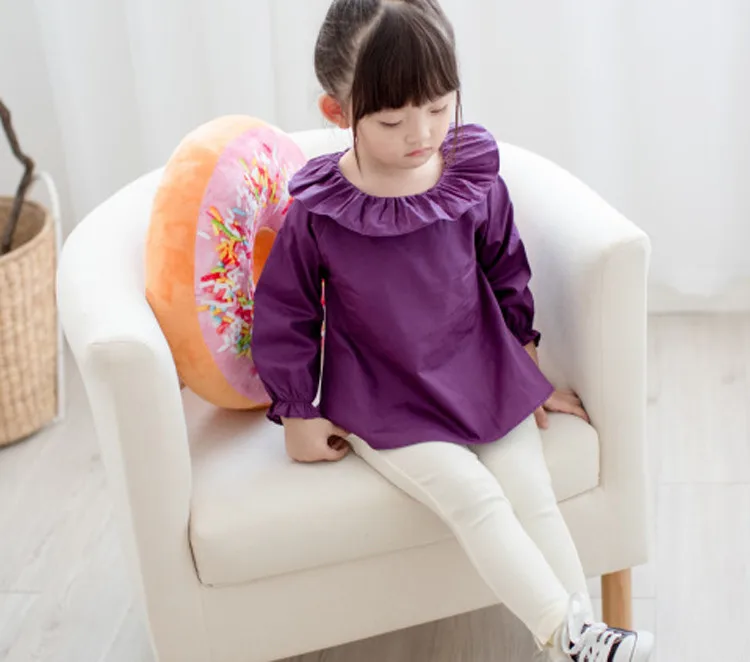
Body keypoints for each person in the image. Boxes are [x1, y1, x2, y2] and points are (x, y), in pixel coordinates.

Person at [252, 1, 654, 660]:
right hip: (383, 397)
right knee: (475, 499)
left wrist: (527, 362)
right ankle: (576, 640)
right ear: (337, 112)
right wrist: (297, 410)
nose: (422, 133)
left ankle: (579, 643)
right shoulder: (319, 213)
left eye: (439, 108)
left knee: (531, 495)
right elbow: (286, 312)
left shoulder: (470, 180)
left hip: (482, 369)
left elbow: (505, 267)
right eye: (392, 120)